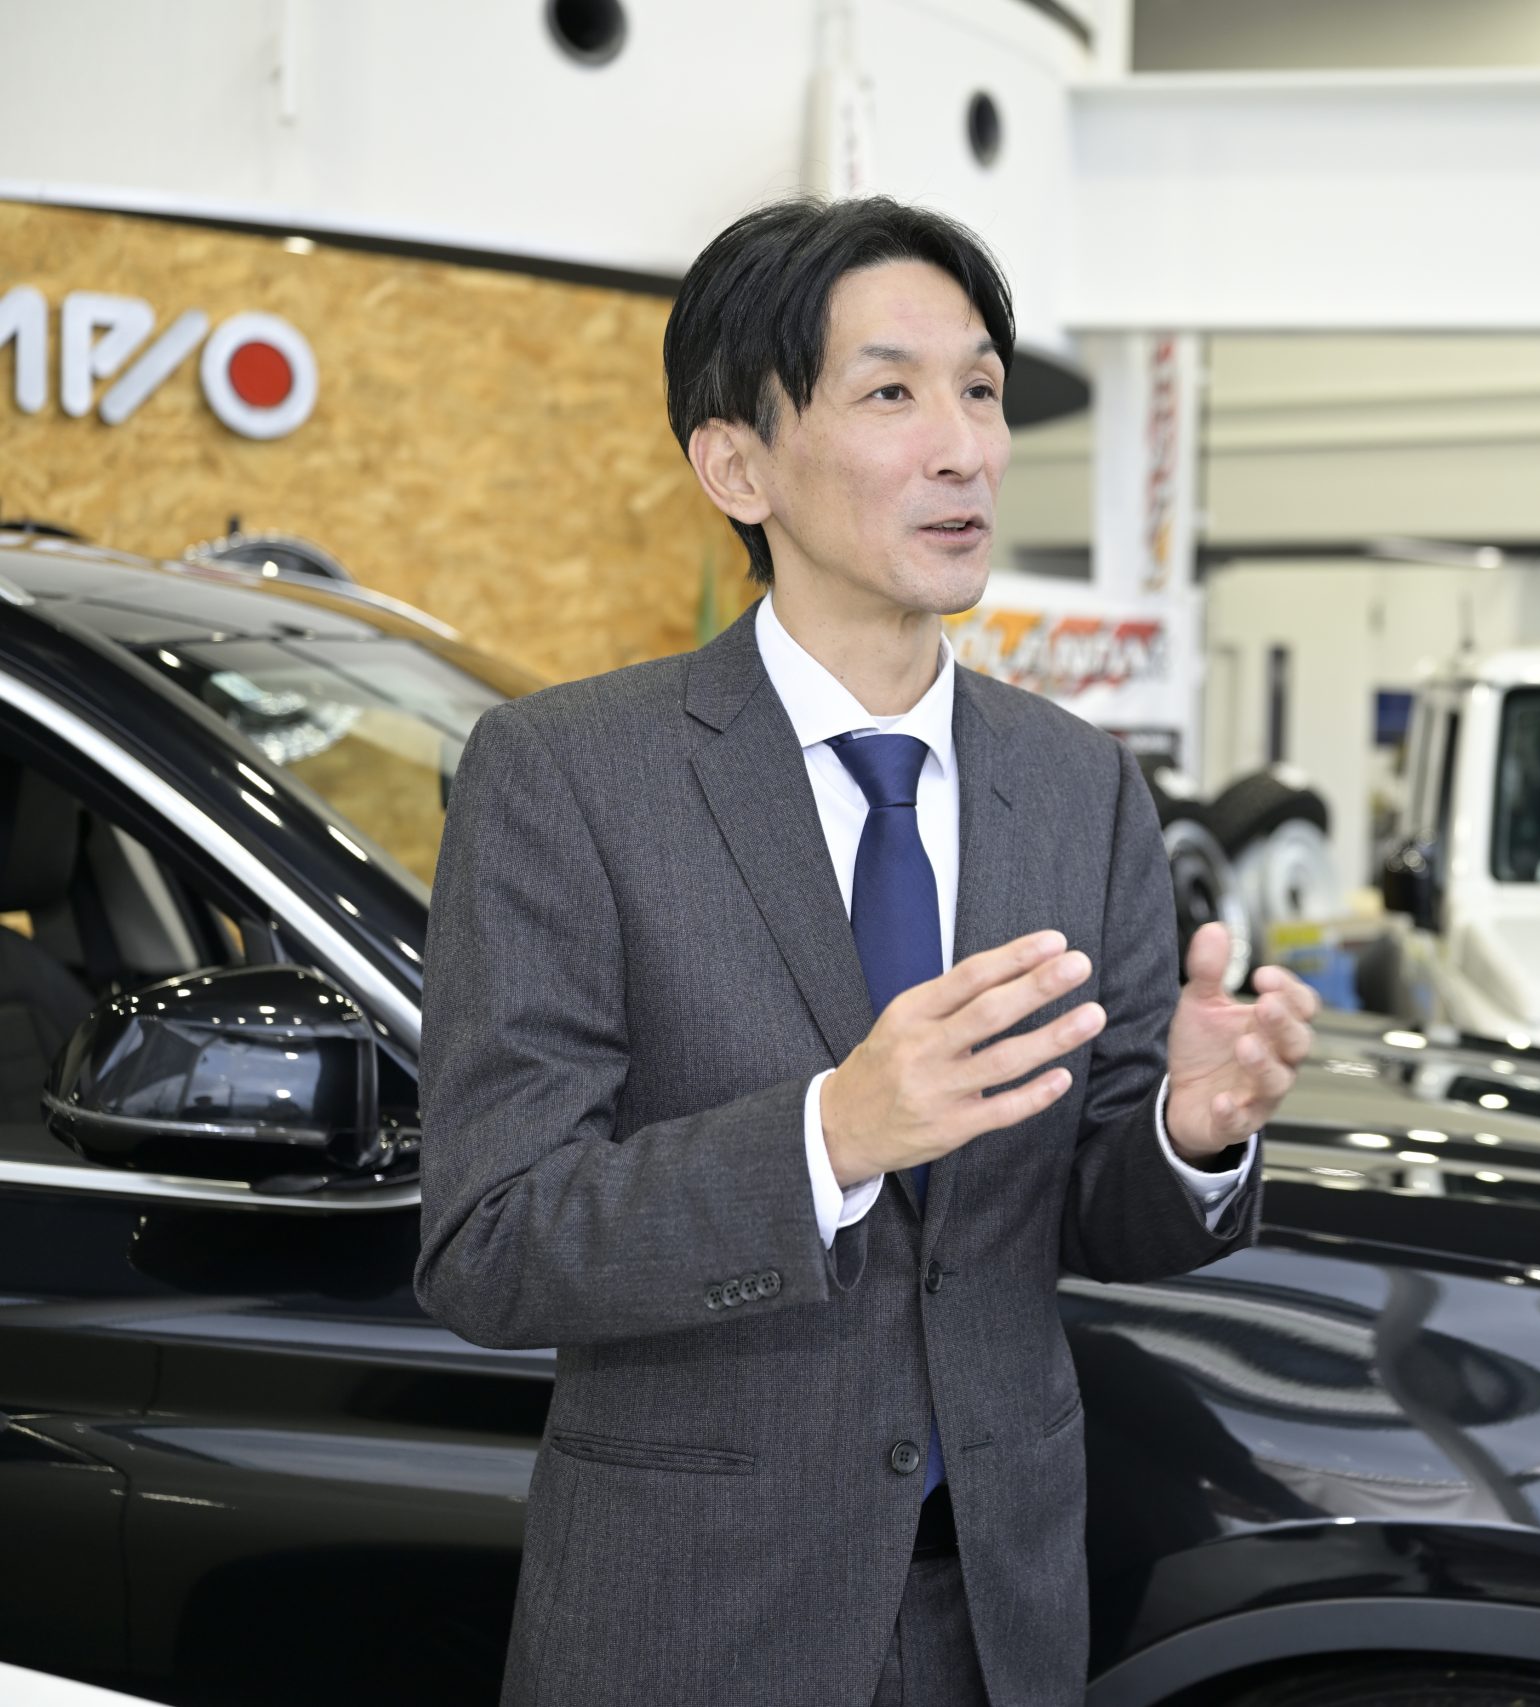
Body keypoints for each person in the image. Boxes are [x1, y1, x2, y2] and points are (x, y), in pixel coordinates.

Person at [414, 195, 1316, 1707]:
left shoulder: (1078, 783)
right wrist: (832, 1133)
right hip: (697, 1620)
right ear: (738, 464)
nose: (965, 448)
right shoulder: (570, 776)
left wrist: (1188, 1133)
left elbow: (1092, 1209)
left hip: (998, 1619)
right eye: (892, 394)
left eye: (981, 390)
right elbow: (490, 1243)